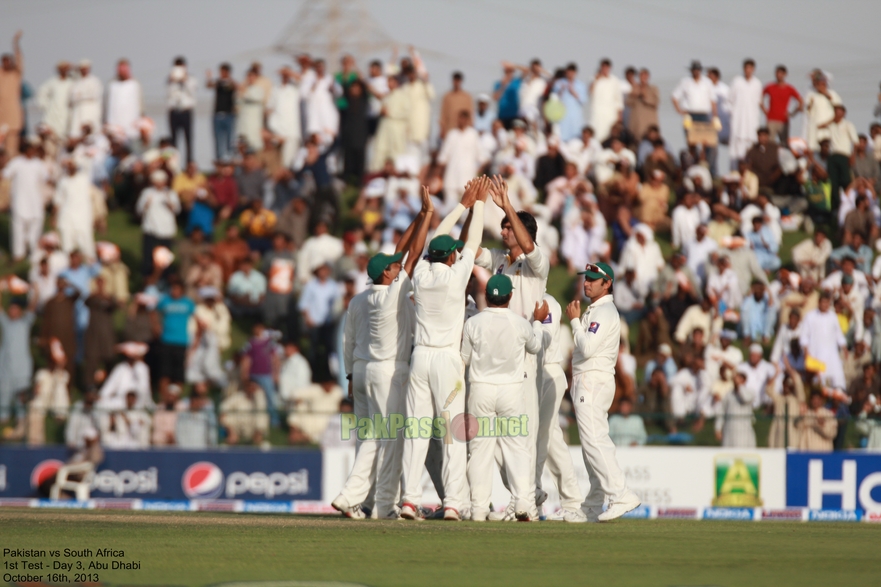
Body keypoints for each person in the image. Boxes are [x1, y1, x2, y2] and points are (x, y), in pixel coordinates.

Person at [332, 187, 433, 520]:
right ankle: (356, 497)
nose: (397, 266)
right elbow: (412, 254)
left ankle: (377, 504)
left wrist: (349, 375)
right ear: (387, 275)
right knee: (385, 438)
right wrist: (428, 219)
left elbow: (347, 341)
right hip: (388, 372)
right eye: (393, 267)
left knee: (372, 438)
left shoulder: (360, 299)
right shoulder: (393, 294)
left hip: (360, 371)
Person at [399, 178, 486, 522]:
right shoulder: (456, 275)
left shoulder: (420, 273)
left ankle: (408, 500)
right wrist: (478, 204)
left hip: (419, 357)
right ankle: (452, 502)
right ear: (452, 256)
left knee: (417, 431)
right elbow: (474, 239)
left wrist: (461, 206)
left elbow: (434, 239)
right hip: (447, 360)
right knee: (452, 433)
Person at [462, 274, 545, 522]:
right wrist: (538, 322)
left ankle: (478, 508)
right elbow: (535, 346)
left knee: (479, 450)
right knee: (517, 447)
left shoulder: (473, 323)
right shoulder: (520, 324)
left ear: (487, 296)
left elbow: (464, 357)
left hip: (481, 389)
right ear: (510, 297)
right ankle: (522, 502)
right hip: (511, 390)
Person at [566, 261, 641, 521]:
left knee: (594, 440)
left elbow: (586, 348)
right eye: (585, 278)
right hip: (589, 380)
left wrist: (575, 322)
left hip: (593, 381)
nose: (586, 282)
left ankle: (621, 494)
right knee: (591, 443)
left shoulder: (605, 311)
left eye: (592, 279)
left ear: (607, 283)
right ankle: (593, 504)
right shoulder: (597, 310)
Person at [3, 137, 49, 261]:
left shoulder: (38, 163)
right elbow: (5, 174)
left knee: (35, 226)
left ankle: (33, 252)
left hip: (35, 201)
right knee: (18, 229)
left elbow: (46, 178)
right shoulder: (17, 162)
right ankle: (18, 254)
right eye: (30, 149)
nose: (32, 152)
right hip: (19, 201)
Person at [0, 292, 37, 423]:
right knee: (3, 398)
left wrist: (35, 291)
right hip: (5, 370)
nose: (12, 310)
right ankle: (3, 424)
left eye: (15, 308)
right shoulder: (5, 323)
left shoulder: (25, 323)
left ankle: (20, 425)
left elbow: (32, 307)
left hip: (22, 370)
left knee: (21, 400)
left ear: (20, 311)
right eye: (11, 308)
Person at [437, 109, 484, 212]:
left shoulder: (473, 134)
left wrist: (478, 174)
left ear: (468, 120)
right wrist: (438, 176)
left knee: (467, 210)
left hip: (468, 179)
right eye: (460, 118)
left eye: (464, 119)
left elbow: (482, 157)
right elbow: (442, 158)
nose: (462, 121)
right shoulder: (452, 134)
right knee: (449, 209)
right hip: (451, 179)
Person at [136, 169, 181, 276]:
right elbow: (139, 209)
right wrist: (146, 204)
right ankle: (148, 278)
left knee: (165, 258)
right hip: (151, 229)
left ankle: (165, 278)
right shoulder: (147, 193)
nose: (160, 183)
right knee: (148, 257)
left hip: (166, 231)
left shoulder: (171, 193)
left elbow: (177, 210)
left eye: (162, 181)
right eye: (157, 181)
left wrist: (169, 203)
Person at [155, 279, 195, 394]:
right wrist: (156, 326)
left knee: (178, 373)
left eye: (177, 289)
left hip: (181, 341)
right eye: (173, 288)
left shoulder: (188, 303)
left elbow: (197, 318)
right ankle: (163, 398)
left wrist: (196, 339)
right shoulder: (165, 301)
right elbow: (153, 312)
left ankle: (176, 399)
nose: (174, 291)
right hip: (166, 340)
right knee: (164, 372)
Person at [800, 293, 847, 390]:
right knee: (819, 381)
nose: (825, 305)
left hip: (832, 354)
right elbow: (804, 336)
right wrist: (805, 351)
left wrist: (844, 347)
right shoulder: (810, 316)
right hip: (816, 353)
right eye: (823, 302)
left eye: (827, 303)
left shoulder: (833, 316)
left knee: (836, 377)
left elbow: (838, 334)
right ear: (819, 303)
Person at [823, 104, 858, 210]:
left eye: (840, 112)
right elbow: (820, 126)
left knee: (846, 181)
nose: (838, 114)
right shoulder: (831, 125)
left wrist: (853, 156)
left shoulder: (848, 124)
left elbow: (855, 142)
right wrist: (831, 120)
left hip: (844, 155)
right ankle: (835, 207)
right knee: (833, 183)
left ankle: (849, 205)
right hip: (833, 155)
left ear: (844, 113)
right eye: (836, 112)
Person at [728, 59, 763, 166]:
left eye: (750, 68)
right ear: (743, 69)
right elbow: (730, 100)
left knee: (751, 143)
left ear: (753, 69)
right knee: (737, 144)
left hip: (752, 120)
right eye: (746, 68)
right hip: (738, 120)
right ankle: (735, 168)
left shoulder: (757, 83)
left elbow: (759, 101)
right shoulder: (737, 81)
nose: (748, 70)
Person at [268, 67, 302, 169]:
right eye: (283, 74)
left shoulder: (295, 88)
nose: (285, 76)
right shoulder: (275, 89)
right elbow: (269, 108)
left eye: (286, 74)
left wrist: (289, 72)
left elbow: (303, 80)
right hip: (277, 131)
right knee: (275, 160)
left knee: (288, 162)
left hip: (292, 132)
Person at [715, 370, 756, 447]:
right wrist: (718, 428)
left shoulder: (750, 392)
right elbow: (721, 412)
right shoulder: (728, 394)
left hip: (744, 430)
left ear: (744, 380)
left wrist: (739, 386)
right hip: (729, 429)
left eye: (739, 378)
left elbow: (745, 398)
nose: (736, 380)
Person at [761, 65, 802, 144]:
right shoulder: (770, 87)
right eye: (777, 73)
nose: (779, 75)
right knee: (769, 144)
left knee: (784, 144)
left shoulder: (789, 88)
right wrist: (764, 110)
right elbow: (760, 97)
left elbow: (800, 101)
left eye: (781, 73)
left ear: (785, 74)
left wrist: (792, 113)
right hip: (771, 120)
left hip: (783, 121)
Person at [105, 58, 143, 141]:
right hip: (115, 126)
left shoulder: (134, 84)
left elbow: (140, 105)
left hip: (131, 126)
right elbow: (107, 105)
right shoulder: (112, 85)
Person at [206, 63, 237, 160]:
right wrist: (210, 78)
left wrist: (228, 79)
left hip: (229, 115)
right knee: (218, 140)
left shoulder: (231, 83)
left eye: (223, 72)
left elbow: (237, 87)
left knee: (230, 140)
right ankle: (220, 160)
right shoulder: (218, 83)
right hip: (218, 115)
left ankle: (231, 159)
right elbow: (209, 85)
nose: (221, 74)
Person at [0, 30, 24, 155]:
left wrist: (15, 43)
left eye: (8, 61)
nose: (6, 63)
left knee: (11, 149)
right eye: (3, 61)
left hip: (12, 115)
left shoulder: (15, 74)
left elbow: (19, 59)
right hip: (1, 114)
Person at [37, 60, 72, 141]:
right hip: (53, 112)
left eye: (66, 69)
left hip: (66, 112)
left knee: (64, 135)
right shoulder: (52, 82)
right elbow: (42, 92)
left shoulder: (71, 82)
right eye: (62, 68)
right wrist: (45, 105)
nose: (64, 70)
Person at [589, 58, 623, 143]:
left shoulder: (614, 80)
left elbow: (618, 99)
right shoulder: (594, 78)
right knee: (597, 133)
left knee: (610, 134)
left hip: (610, 112)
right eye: (603, 67)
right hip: (598, 112)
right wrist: (596, 79)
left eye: (606, 67)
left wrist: (619, 116)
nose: (604, 69)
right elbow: (590, 92)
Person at [553, 63, 587, 142]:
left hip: (575, 117)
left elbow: (584, 100)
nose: (570, 74)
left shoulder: (581, 85)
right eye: (569, 72)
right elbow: (554, 98)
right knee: (561, 136)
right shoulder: (559, 83)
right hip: (562, 115)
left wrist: (573, 92)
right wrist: (562, 90)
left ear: (575, 73)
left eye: (572, 72)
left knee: (576, 138)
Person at [69, 59, 102, 138]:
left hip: (90, 111)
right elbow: (73, 97)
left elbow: (94, 95)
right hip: (78, 112)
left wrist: (81, 96)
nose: (84, 70)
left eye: (85, 68)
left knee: (92, 133)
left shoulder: (94, 81)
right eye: (82, 68)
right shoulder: (76, 82)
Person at [625, 68, 659, 142]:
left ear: (648, 77)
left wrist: (645, 96)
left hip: (649, 121)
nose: (643, 78)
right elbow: (628, 102)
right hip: (637, 122)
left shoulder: (653, 88)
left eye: (644, 75)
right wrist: (635, 94)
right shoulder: (634, 88)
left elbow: (656, 102)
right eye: (641, 75)